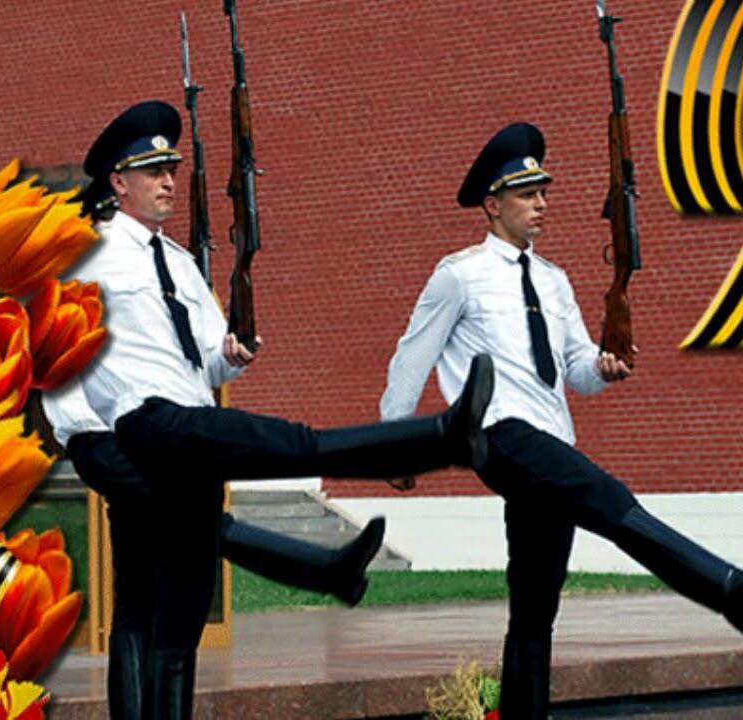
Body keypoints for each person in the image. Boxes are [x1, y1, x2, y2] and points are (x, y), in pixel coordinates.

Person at [65, 100, 496, 720]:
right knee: (284, 450)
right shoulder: (86, 254)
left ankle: (338, 558)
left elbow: (205, 362)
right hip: (141, 433)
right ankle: (437, 439)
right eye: (153, 172)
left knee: (175, 612)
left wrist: (231, 355)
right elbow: (58, 353)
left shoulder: (181, 265)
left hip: (189, 434)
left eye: (172, 170)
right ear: (118, 181)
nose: (168, 182)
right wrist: (86, 442)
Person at [379, 123, 743, 719]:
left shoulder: (554, 281)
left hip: (551, 436)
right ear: (493, 204)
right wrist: (394, 445)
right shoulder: (459, 275)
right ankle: (729, 589)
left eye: (543, 192)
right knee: (606, 496)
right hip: (499, 434)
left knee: (536, 602)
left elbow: (575, 368)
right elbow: (411, 356)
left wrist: (605, 367)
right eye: (527, 195)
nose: (541, 204)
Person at [41, 381, 385, 720]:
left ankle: (330, 571)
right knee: (197, 522)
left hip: (143, 434)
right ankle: (327, 571)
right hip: (102, 437)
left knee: (136, 594)